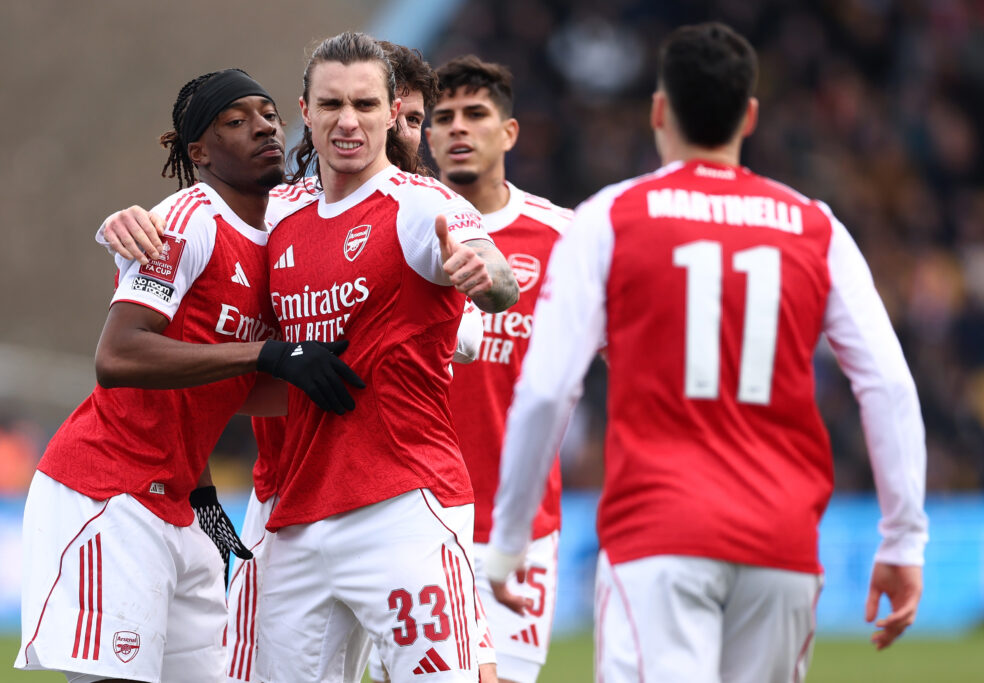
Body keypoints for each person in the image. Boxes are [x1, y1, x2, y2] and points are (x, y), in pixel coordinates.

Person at [484, 22, 928, 683]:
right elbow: (888, 384)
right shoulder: (815, 225)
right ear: (748, 116)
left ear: (659, 111)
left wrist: (511, 533)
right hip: (782, 543)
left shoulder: (609, 217)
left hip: (656, 534)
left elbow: (549, 389)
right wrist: (902, 538)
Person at [14, 69, 362, 683]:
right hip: (108, 493)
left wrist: (331, 388)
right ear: (198, 153)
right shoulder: (189, 219)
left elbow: (216, 385)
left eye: (267, 112)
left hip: (181, 503)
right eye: (235, 120)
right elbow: (118, 358)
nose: (261, 126)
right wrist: (268, 355)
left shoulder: (281, 237)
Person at [254, 32, 517, 683]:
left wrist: (485, 275)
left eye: (366, 105)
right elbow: (201, 227)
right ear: (305, 111)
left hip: (403, 508)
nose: (349, 121)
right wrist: (140, 222)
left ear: (391, 113)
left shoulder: (418, 205)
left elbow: (498, 275)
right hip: (296, 519)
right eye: (333, 104)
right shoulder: (276, 214)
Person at [421, 55, 571, 683]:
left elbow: (633, 359)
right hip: (412, 517)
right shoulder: (399, 228)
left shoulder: (564, 238)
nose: (459, 129)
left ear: (508, 132)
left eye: (476, 115)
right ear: (425, 136)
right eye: (444, 117)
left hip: (517, 529)